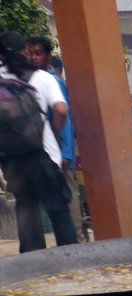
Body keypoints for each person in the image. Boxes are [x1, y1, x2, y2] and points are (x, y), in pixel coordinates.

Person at [0, 32, 75, 253]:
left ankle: (33, 268)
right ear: (25, 50)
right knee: (59, 211)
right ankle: (72, 262)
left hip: (12, 160)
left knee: (26, 209)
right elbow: (61, 109)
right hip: (43, 156)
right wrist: (53, 129)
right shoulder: (42, 77)